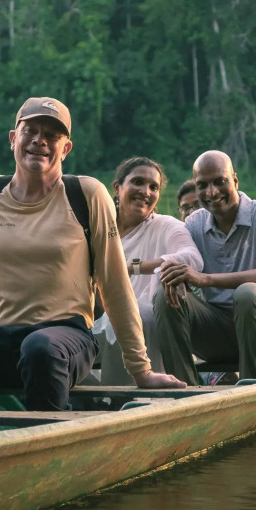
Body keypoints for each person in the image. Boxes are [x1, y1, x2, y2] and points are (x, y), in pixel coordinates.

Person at [0, 97, 186, 410]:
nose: (40, 141)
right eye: (30, 131)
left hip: (63, 337)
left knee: (40, 349)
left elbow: (115, 285)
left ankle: (49, 437)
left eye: (52, 136)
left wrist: (141, 370)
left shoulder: (86, 195)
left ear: (65, 149)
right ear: (13, 139)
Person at [153, 151, 256, 383]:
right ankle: (183, 393)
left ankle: (254, 393)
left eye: (220, 182)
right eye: (202, 185)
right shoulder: (194, 223)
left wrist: (206, 279)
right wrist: (176, 275)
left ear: (235, 181)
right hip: (220, 332)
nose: (212, 192)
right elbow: (178, 263)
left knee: (248, 293)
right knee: (165, 294)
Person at [95, 156, 203, 384]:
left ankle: (125, 404)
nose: (145, 191)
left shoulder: (166, 226)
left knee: (130, 316)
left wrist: (135, 268)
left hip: (142, 318)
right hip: (95, 317)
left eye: (153, 187)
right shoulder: (99, 229)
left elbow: (192, 258)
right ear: (117, 187)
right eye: (137, 182)